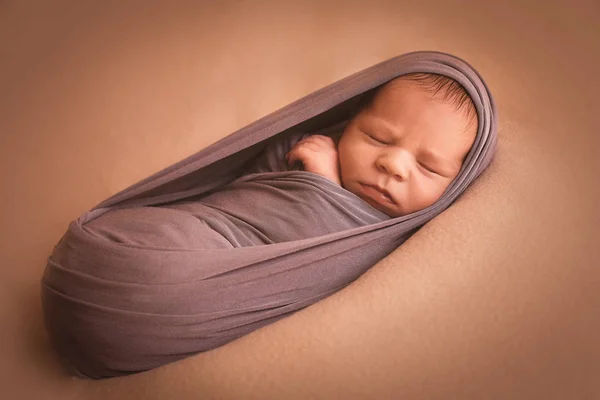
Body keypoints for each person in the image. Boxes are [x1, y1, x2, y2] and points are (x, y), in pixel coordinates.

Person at [285, 72, 478, 218]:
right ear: (349, 123)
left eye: (428, 167)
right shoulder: (307, 150)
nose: (393, 164)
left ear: (458, 183)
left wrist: (326, 187)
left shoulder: (420, 241)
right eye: (378, 138)